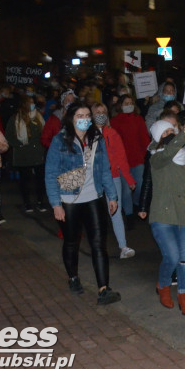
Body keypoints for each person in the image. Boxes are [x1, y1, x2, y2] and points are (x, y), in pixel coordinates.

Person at [44, 102, 121, 305]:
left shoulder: (97, 138)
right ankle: (73, 277)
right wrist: (55, 203)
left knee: (98, 244)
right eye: (80, 115)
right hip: (69, 199)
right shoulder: (60, 140)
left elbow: (105, 168)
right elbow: (50, 173)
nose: (84, 118)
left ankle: (104, 289)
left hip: (93, 197)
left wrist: (112, 195)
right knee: (71, 241)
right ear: (71, 117)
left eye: (87, 115)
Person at [146, 115, 185, 315]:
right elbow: (168, 152)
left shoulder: (182, 160)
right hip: (163, 216)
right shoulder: (156, 157)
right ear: (157, 137)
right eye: (165, 132)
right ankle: (163, 285)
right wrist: (184, 132)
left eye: (172, 131)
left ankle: (183, 295)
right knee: (172, 256)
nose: (170, 134)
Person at [91, 102, 136, 259]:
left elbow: (121, 157)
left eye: (103, 111)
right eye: (97, 111)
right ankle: (97, 246)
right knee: (94, 212)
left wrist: (129, 178)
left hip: (113, 177)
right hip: (93, 179)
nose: (101, 114)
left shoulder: (112, 134)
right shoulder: (87, 135)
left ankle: (123, 246)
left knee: (115, 212)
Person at [110, 94, 151, 218]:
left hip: (137, 158)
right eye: (126, 103)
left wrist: (147, 154)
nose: (129, 105)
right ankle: (129, 214)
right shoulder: (114, 121)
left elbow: (144, 138)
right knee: (126, 190)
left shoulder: (138, 119)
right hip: (122, 160)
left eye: (130, 103)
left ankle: (136, 204)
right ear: (120, 106)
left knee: (139, 184)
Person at [6, 95, 48, 213]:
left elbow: (44, 132)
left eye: (33, 102)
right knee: (25, 180)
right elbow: (9, 136)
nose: (32, 104)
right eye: (29, 102)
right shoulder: (15, 119)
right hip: (23, 154)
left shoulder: (39, 117)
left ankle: (40, 201)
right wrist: (19, 145)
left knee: (40, 179)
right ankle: (27, 202)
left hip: (38, 153)